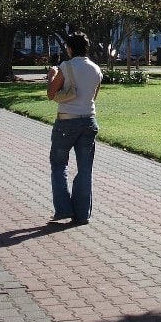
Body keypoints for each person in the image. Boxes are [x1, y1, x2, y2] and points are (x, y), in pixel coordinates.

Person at [46, 32, 103, 226]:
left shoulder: (66, 66)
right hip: (89, 121)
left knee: (59, 165)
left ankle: (63, 209)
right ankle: (82, 214)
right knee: (85, 169)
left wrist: (51, 75)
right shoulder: (96, 69)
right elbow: (93, 97)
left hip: (66, 121)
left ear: (69, 49)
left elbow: (51, 93)